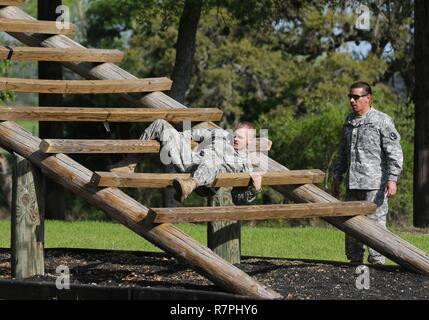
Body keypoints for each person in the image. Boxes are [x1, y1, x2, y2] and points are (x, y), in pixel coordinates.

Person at [332, 81, 403, 265]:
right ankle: (354, 264)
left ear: (368, 98)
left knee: (375, 228)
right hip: (352, 184)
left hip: (374, 185)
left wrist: (393, 179)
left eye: (356, 97)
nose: (352, 101)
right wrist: (337, 176)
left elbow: (394, 152)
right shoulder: (349, 121)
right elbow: (343, 152)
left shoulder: (381, 120)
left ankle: (378, 265)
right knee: (352, 226)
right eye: (350, 97)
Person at [109, 120, 262, 204]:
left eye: (240, 138)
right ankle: (129, 164)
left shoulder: (245, 163)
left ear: (249, 141)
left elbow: (238, 199)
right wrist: (176, 138)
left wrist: (255, 189)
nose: (235, 139)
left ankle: (190, 185)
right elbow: (192, 134)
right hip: (190, 161)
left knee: (212, 159)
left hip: (206, 184)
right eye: (235, 135)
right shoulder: (221, 134)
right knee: (161, 124)